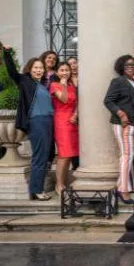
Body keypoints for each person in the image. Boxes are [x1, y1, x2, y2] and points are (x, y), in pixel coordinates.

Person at [3, 46, 53, 201]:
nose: (39, 70)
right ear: (30, 69)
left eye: (41, 68)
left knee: (46, 156)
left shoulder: (43, 85)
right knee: (39, 156)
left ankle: (37, 188)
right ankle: (36, 190)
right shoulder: (25, 80)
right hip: (36, 121)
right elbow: (12, 72)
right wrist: (7, 53)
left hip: (48, 121)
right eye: (36, 68)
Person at [103, 55, 134, 204]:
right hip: (123, 124)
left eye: (132, 64)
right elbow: (108, 100)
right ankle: (122, 189)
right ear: (121, 67)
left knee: (132, 156)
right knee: (127, 155)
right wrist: (121, 113)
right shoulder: (118, 81)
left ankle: (131, 185)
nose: (130, 66)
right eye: (126, 65)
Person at [49, 62, 78, 196]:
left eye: (67, 70)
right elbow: (65, 99)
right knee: (64, 154)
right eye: (62, 70)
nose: (65, 72)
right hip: (61, 121)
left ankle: (64, 182)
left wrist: (76, 114)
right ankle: (59, 184)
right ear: (57, 72)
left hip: (73, 121)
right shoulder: (54, 85)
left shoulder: (73, 85)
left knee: (70, 155)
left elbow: (78, 102)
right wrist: (64, 85)